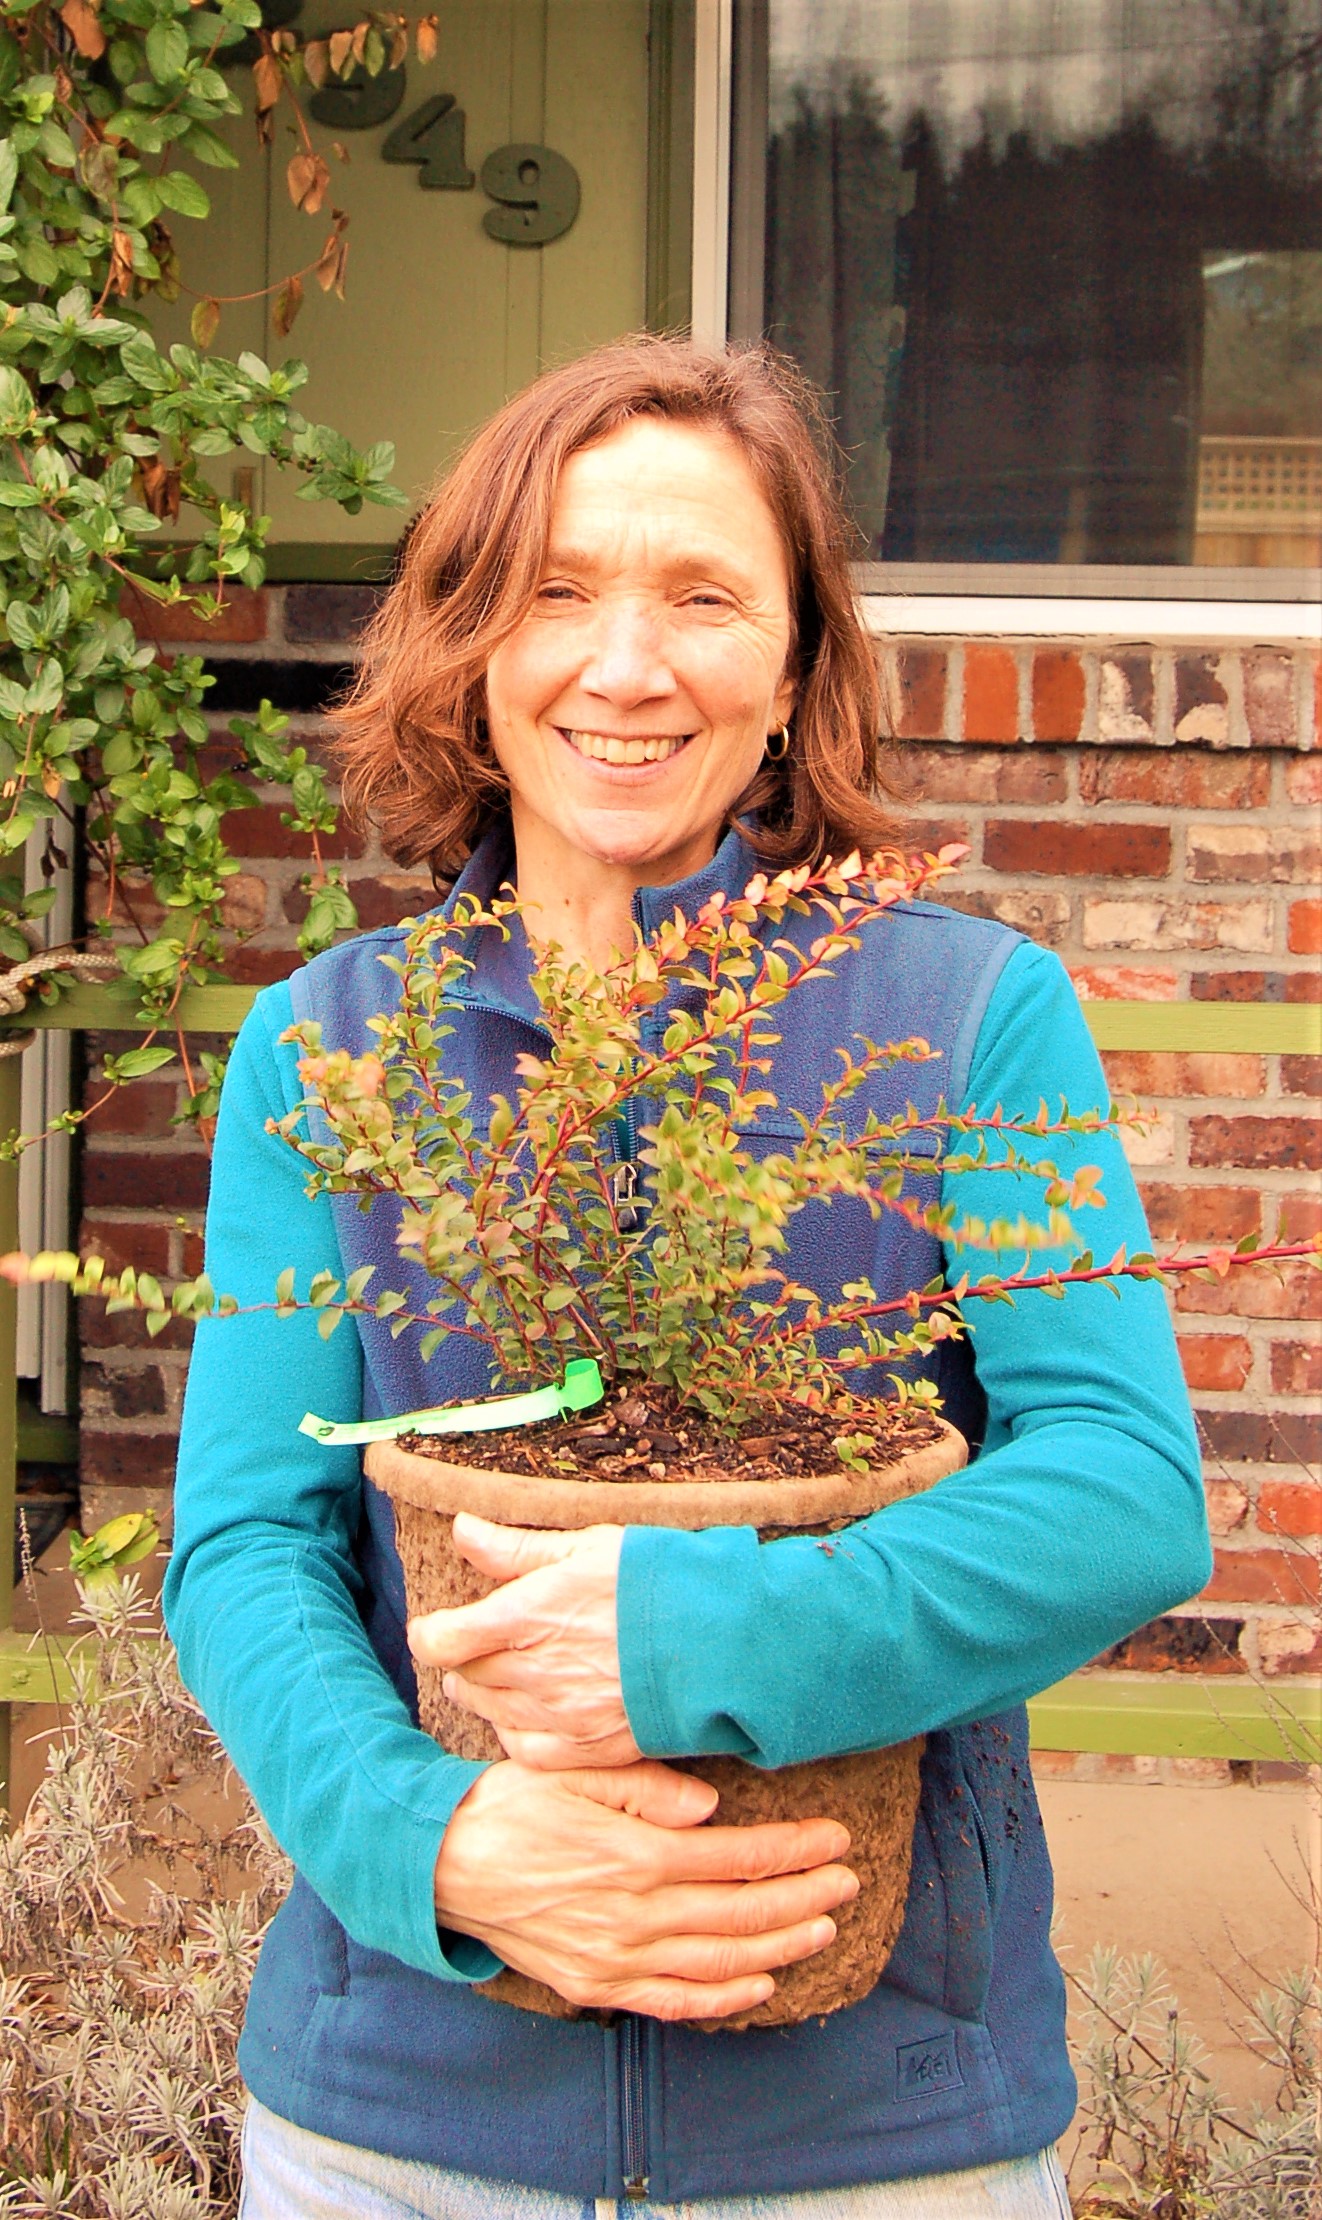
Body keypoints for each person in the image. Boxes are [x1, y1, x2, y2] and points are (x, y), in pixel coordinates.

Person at [167, 337, 1210, 2219]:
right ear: (470, 643)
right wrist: (442, 1845)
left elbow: (1119, 1493)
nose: (625, 665)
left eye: (705, 597)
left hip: (879, 2136)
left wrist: (686, 1642)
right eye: (555, 591)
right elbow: (250, 1546)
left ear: (796, 662)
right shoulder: (324, 1054)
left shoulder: (969, 1018)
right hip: (398, 2132)